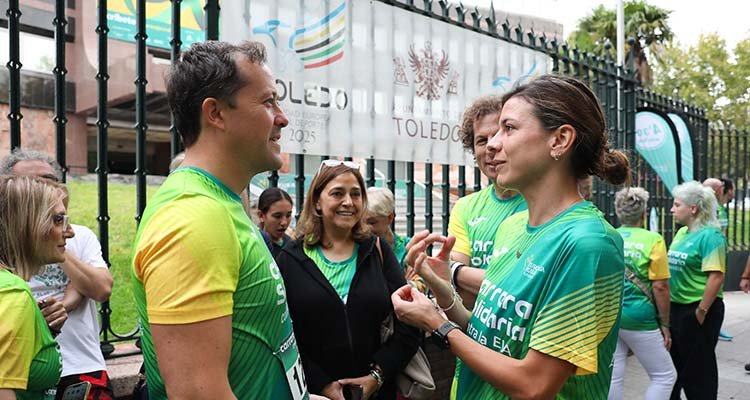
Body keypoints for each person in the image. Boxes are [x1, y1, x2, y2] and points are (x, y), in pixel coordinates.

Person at [393, 74, 630, 398]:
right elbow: (488, 333)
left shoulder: (588, 243)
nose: (491, 144)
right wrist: (442, 292)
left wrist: (438, 326)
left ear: (559, 140)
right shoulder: (513, 226)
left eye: (509, 128)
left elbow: (534, 384)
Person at [132, 40, 321, 400]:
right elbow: (197, 395)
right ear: (216, 114)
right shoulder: (194, 217)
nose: (282, 117)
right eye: (267, 102)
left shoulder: (221, 202)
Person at [275, 160, 420, 400]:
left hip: (376, 393)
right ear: (317, 202)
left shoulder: (377, 251)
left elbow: (409, 323)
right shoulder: (290, 259)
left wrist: (377, 376)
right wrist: (321, 384)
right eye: (337, 193)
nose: (348, 202)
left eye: (356, 194)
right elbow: (282, 334)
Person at [2, 149, 115, 400]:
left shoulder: (76, 236)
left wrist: (53, 237)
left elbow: (101, 288)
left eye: (50, 179)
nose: (46, 186)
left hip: (77, 368)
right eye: (33, 183)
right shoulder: (12, 292)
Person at [448, 95, 527, 306]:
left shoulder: (540, 202)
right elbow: (460, 294)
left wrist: (457, 272)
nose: (492, 146)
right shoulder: (465, 207)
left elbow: (526, 287)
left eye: (501, 135)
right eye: (482, 140)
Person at [0, 175, 72, 400]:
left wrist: (40, 331)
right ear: (28, 224)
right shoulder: (13, 293)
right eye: (58, 220)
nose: (69, 231)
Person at [608, 187, 676, 400]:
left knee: (614, 375)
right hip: (640, 317)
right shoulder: (653, 240)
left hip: (611, 314)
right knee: (664, 375)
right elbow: (660, 287)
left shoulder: (610, 235)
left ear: (618, 212)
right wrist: (665, 324)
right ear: (644, 213)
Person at [668, 181, 726, 399]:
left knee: (699, 374)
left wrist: (700, 312)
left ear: (693, 209)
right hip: (677, 310)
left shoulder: (711, 236)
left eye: (677, 205)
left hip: (698, 310)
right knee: (675, 369)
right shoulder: (682, 232)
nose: (672, 209)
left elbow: (716, 276)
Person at [257, 187, 293, 257]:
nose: (284, 222)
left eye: (288, 215)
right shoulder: (256, 246)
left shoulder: (291, 245)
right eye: (277, 216)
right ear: (261, 216)